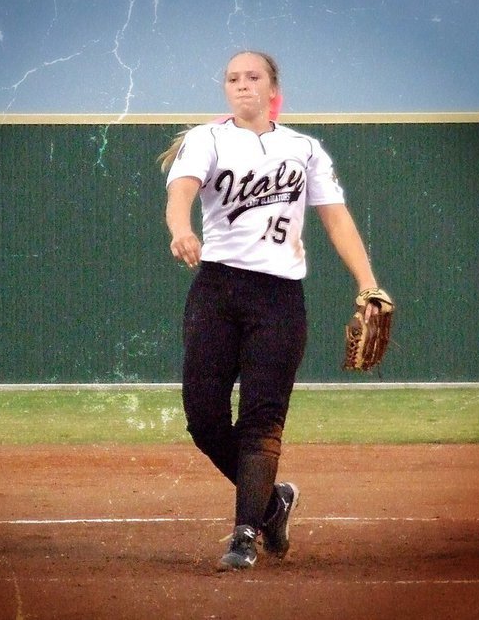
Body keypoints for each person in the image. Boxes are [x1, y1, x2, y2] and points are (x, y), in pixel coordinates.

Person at [159, 50, 384, 570]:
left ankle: (244, 534)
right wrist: (181, 230)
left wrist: (368, 283)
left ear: (272, 87)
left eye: (252, 77)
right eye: (233, 78)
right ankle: (272, 501)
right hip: (217, 291)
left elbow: (336, 219)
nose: (242, 85)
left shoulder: (304, 149)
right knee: (203, 416)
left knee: (262, 418)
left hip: (280, 297)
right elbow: (181, 193)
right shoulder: (207, 138)